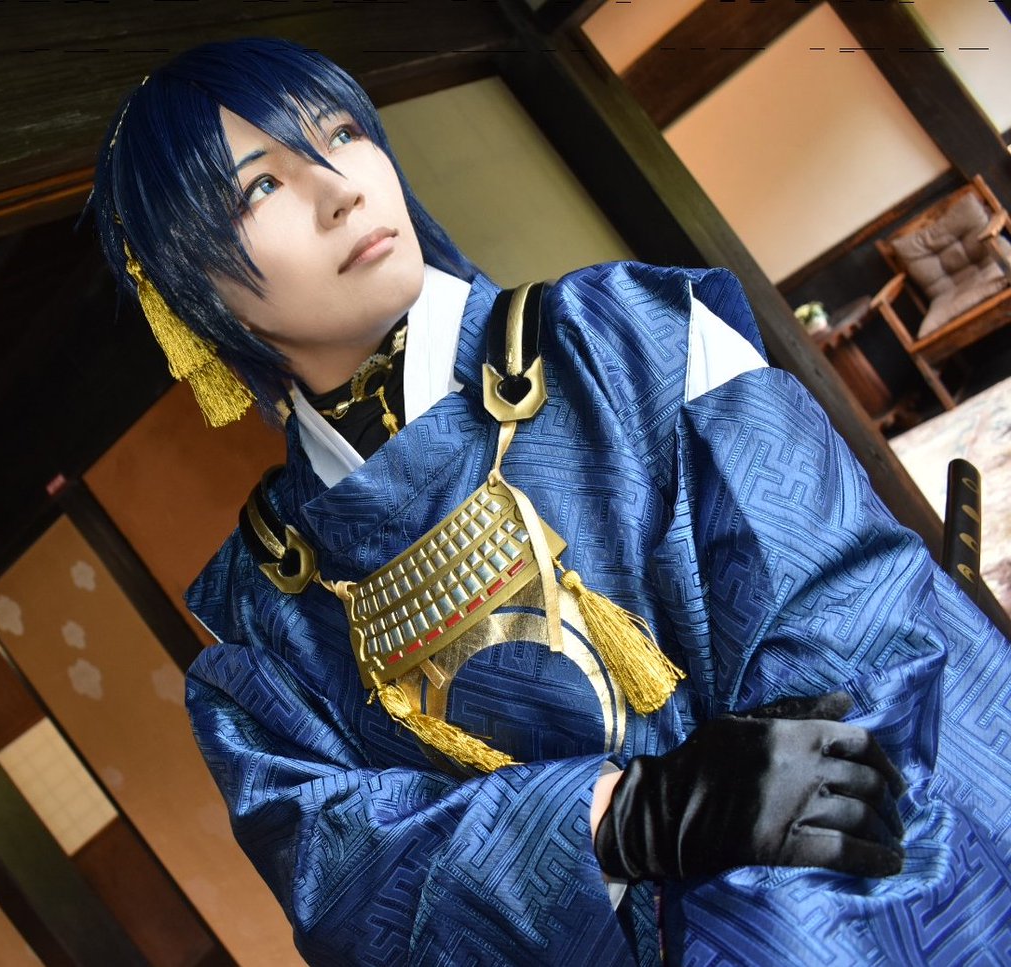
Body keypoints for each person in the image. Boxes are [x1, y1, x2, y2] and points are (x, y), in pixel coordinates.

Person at [90, 37, 1011, 965]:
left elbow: (854, 623)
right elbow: (343, 886)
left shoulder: (635, 333)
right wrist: (615, 820)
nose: (341, 189)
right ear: (192, 295)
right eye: (260, 186)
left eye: (339, 133)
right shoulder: (262, 623)